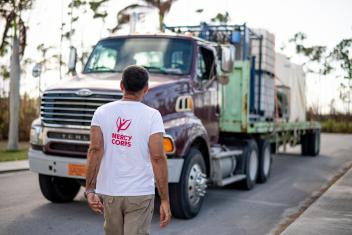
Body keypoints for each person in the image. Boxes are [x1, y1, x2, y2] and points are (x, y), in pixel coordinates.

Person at [85, 65, 171, 235]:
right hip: (140, 194)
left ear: (121, 86)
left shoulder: (101, 112)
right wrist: (165, 200)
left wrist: (90, 189)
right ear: (146, 89)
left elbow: (95, 150)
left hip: (110, 193)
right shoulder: (152, 116)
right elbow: (158, 158)